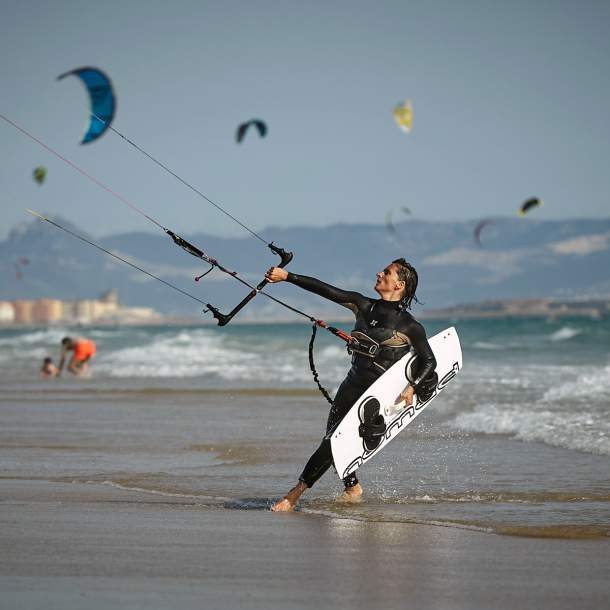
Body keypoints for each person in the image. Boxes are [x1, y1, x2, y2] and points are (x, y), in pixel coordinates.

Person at [265, 258, 437, 512]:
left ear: (398, 284)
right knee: (333, 438)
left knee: (332, 442)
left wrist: (412, 388)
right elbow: (325, 289)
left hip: (375, 395)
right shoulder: (362, 305)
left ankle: (293, 496)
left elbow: (429, 361)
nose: (379, 273)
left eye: (386, 272)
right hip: (351, 384)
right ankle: (352, 486)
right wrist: (287, 276)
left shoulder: (409, 326)